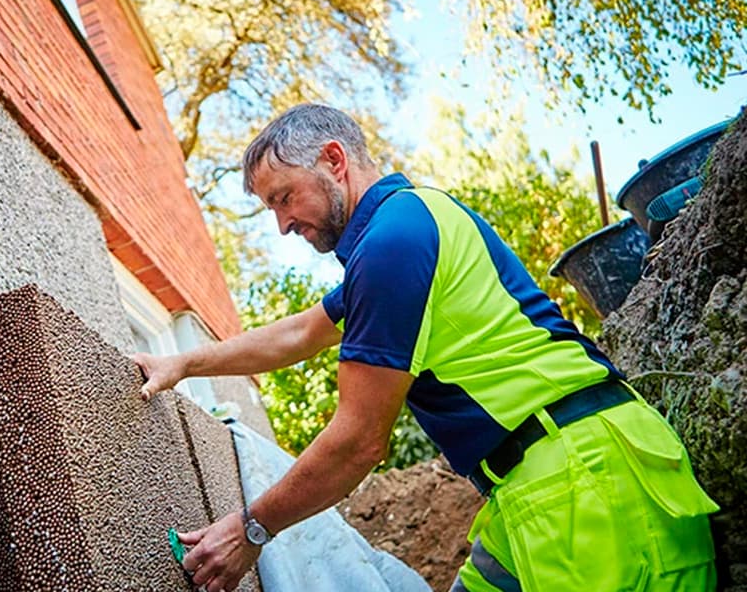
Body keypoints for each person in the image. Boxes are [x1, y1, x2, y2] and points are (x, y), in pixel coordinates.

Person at [133, 103, 719, 592]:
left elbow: (359, 441)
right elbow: (302, 332)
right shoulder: (404, 229)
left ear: (334, 161)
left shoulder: (394, 243)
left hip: (585, 486)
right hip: (540, 485)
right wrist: (183, 361)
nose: (282, 224)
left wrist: (250, 530)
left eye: (284, 198)